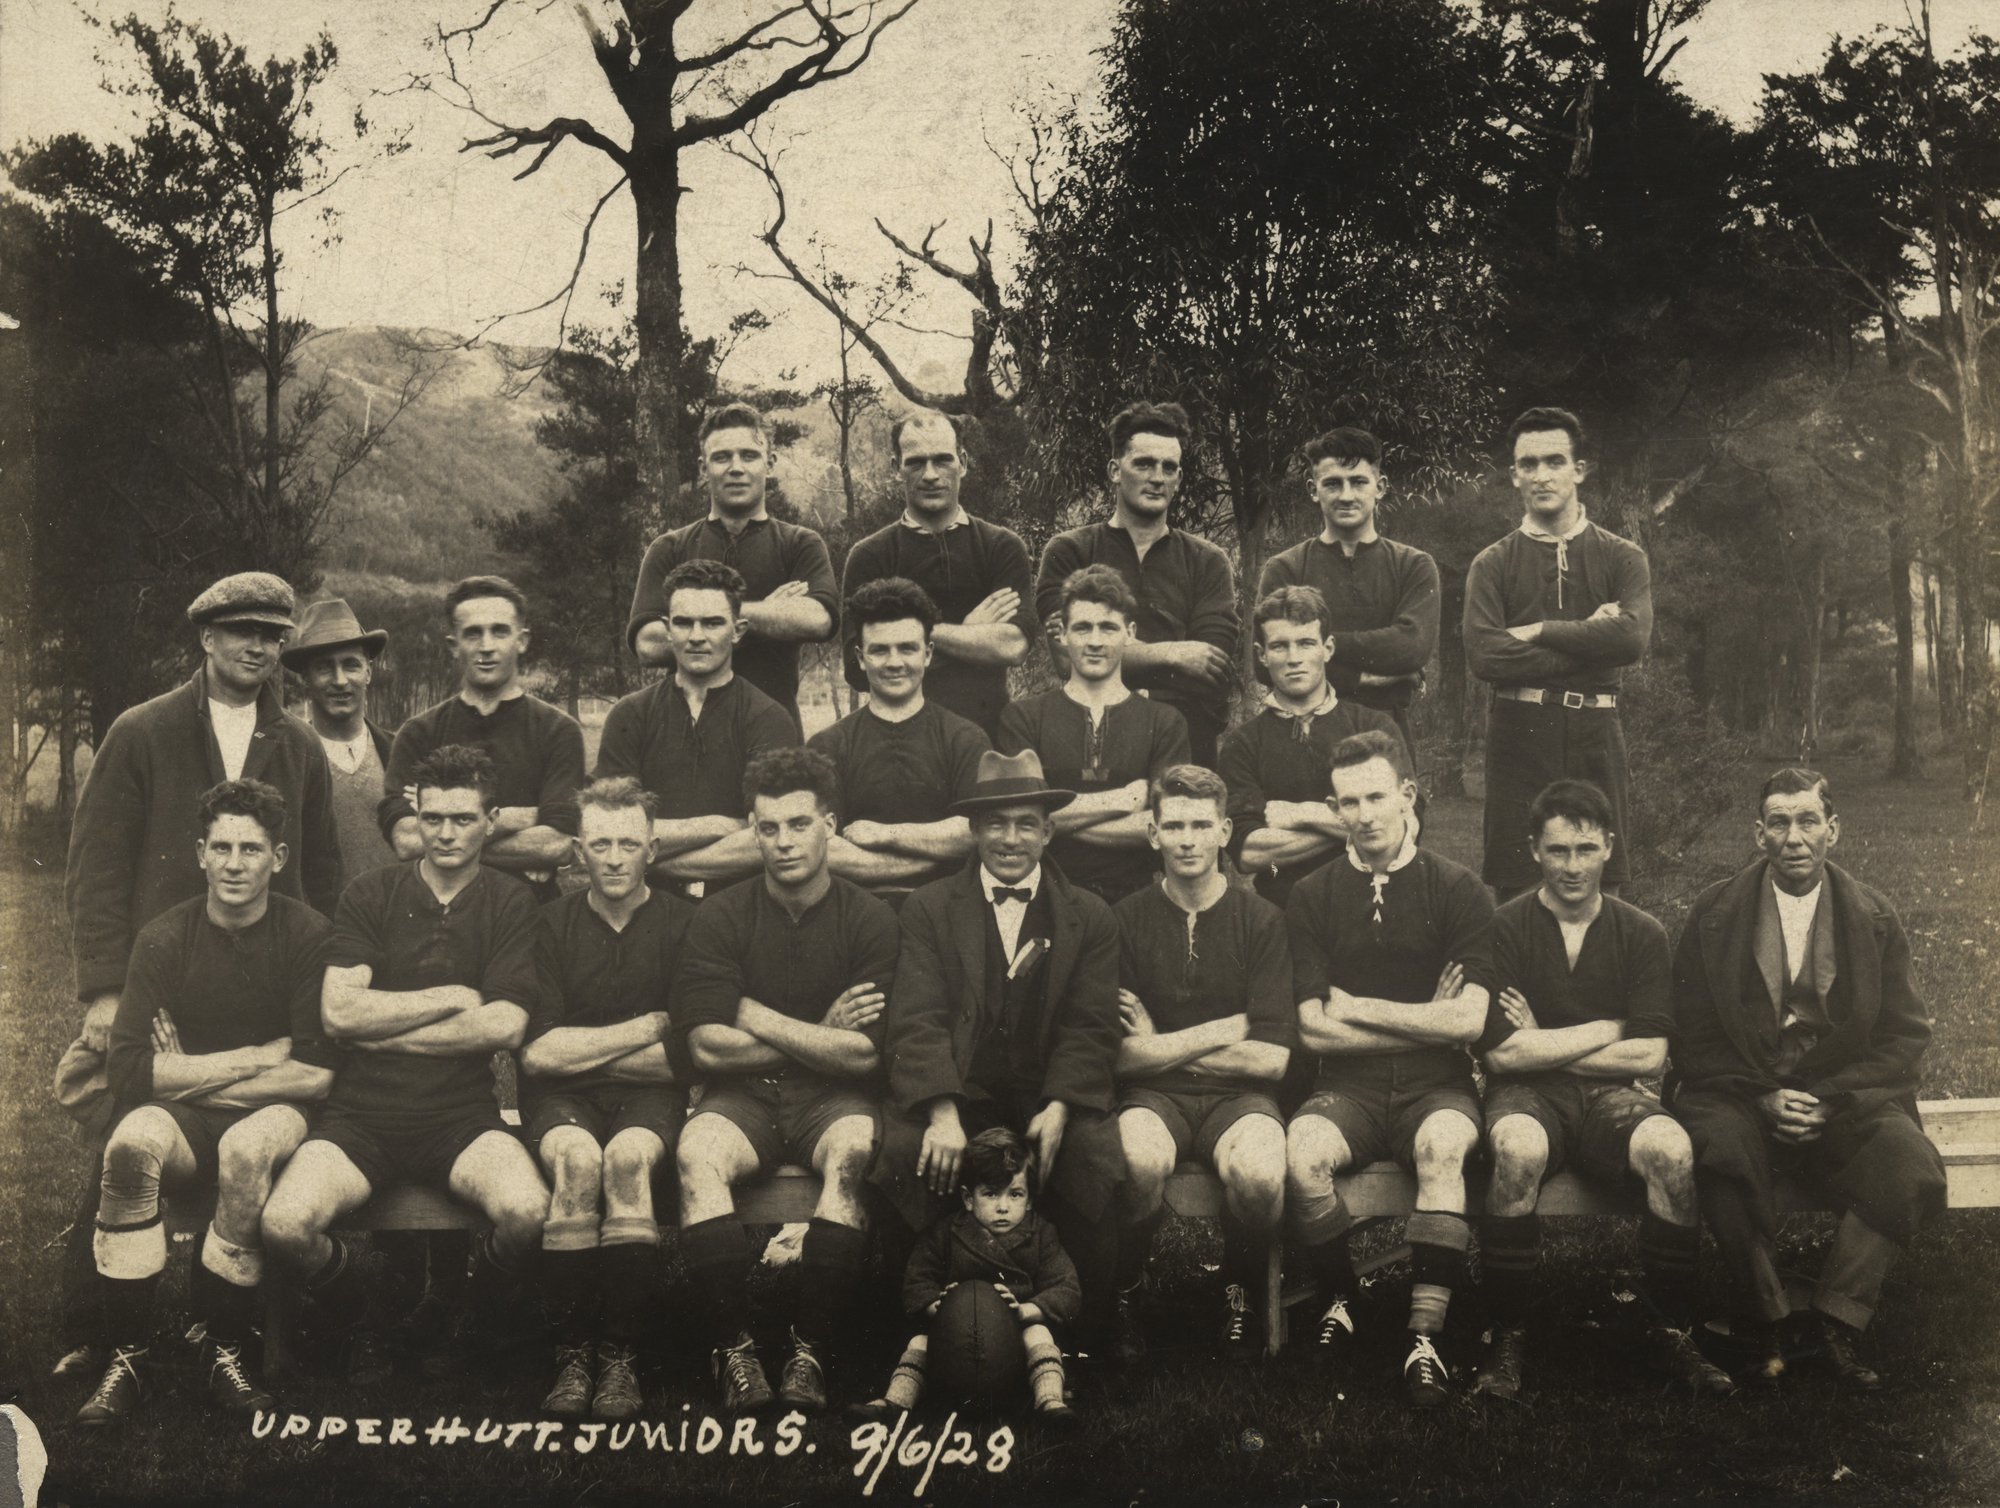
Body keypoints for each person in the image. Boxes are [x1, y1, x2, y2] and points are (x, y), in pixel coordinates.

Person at [58, 571, 338, 1377]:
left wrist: (324, 982)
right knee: (131, 1127)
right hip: (160, 976)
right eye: (242, 630)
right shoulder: (143, 731)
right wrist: (107, 992)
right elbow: (97, 867)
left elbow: (320, 867)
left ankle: (246, 1325)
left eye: (274, 635)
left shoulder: (298, 744)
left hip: (268, 979)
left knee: (256, 1132)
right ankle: (98, 1324)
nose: (259, 646)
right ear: (206, 639)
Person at [260, 745, 552, 1386]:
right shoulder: (372, 892)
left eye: (464, 819)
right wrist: (449, 999)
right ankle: (367, 1320)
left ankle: (461, 1314)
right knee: (284, 1225)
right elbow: (339, 1014)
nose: (446, 833)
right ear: (414, 814)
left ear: (492, 819)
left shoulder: (509, 900)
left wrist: (381, 1028)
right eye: (433, 817)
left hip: (460, 1114)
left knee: (528, 1213)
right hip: (361, 1115)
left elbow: (505, 1025)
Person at [1669, 768, 1946, 1389]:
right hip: (1742, 1091)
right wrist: (1764, 1095)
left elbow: (1905, 1037)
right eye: (1779, 822)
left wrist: (1827, 1098)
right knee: (1716, 1150)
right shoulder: (1715, 913)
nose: (1794, 837)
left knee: (1907, 1163)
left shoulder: (1874, 916)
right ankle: (1766, 1320)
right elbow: (1691, 1036)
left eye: (1808, 820)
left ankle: (1834, 1325)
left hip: (1840, 1096)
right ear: (1758, 834)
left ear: (1834, 830)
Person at [75, 780, 335, 1425]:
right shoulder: (164, 937)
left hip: (279, 1113)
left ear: (277, 858)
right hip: (202, 1110)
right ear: (199, 852)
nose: (234, 863)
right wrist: (252, 1058)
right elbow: (130, 1072)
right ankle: (128, 1358)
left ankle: (225, 1350)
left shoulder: (308, 935)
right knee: (132, 1144)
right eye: (221, 847)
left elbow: (316, 1075)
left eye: (251, 848)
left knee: (246, 1150)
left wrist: (184, 1070)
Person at [1471, 780, 1736, 1400]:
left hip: (1613, 1099)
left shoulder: (1640, 932)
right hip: (1524, 1096)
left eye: (1586, 849)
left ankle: (1673, 1330)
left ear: (1609, 848)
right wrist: (1602, 1028)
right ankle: (1504, 1335)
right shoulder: (1504, 926)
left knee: (1671, 1150)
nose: (1572, 866)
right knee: (1514, 1149)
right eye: (1557, 850)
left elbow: (1649, 1053)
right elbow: (1502, 1052)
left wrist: (1547, 1039)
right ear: (1533, 850)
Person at [872, 749, 1125, 1353]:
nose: (1010, 839)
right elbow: (917, 1017)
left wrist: (1062, 1104)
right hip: (961, 1088)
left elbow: (1091, 1026)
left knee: (1093, 1155)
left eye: (1025, 824)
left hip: (1046, 1091)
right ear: (973, 830)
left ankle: (1085, 1325)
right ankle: (911, 1325)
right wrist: (940, 1111)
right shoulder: (929, 908)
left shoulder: (1088, 915)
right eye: (995, 823)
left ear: (1049, 830)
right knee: (908, 1152)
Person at [672, 748, 899, 1415]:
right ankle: (735, 1350)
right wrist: (818, 1032)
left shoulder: (870, 917)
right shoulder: (720, 914)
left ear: (831, 823)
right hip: (743, 1096)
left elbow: (866, 1059)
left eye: (799, 824)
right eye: (768, 828)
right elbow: (706, 1045)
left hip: (835, 1100)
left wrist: (757, 1014)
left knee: (853, 1154)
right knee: (695, 1155)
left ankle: (811, 1350)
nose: (784, 842)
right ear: (752, 829)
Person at [1282, 730, 1492, 1408]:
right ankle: (1342, 1297)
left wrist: (1362, 1009)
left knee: (1442, 1147)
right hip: (1348, 1089)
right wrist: (1419, 1020)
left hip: (1439, 1085)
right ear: (1333, 807)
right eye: (1349, 802)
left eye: (1377, 796)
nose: (1366, 814)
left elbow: (1469, 1022)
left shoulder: (1459, 888)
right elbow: (1313, 1028)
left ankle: (1424, 1336)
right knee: (1300, 1153)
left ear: (1407, 794)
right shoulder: (1312, 895)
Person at [521, 777, 696, 1421]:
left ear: (653, 846)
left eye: (629, 843)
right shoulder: (549, 926)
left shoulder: (685, 923)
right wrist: (650, 1026)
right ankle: (572, 1354)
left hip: (651, 1097)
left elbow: (689, 1053)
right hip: (560, 1097)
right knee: (576, 1160)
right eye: (600, 844)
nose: (615, 857)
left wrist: (590, 1045)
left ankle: (620, 1357)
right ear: (576, 850)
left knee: (625, 1159)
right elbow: (537, 1053)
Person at [1111, 766, 1291, 1360]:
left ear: (1224, 831)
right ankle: (1127, 1290)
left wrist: (1161, 1045)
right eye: (1173, 826)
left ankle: (1238, 1289)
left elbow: (1269, 1059)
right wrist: (1221, 1029)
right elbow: (1120, 1057)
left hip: (1240, 1098)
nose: (1187, 839)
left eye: (1200, 825)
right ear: (1152, 833)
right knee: (1136, 1160)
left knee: (1262, 1173)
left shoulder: (1260, 919)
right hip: (1153, 1100)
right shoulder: (1125, 919)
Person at [1464, 408, 1651, 899]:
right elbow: (1486, 656)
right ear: (1514, 476)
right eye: (1529, 464)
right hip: (1519, 736)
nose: (1541, 475)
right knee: (1518, 891)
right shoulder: (1492, 563)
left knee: (1601, 888)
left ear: (1579, 469)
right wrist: (1591, 641)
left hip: (1596, 733)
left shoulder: (1622, 556)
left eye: (1554, 461)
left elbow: (1630, 640)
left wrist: (1540, 630)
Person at [1035, 402, 1237, 765]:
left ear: (1179, 479)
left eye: (1169, 467)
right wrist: (1174, 653)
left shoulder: (1208, 561)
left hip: (1187, 740)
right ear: (1115, 470)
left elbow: (1209, 667)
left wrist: (1107, 655)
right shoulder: (1069, 552)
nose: (1157, 477)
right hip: (1091, 735)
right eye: (1144, 463)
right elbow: (1069, 660)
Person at [626, 403, 839, 728]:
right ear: (702, 468)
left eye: (749, 456)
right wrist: (763, 615)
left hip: (774, 732)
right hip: (685, 732)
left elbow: (817, 620)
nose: (735, 468)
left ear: (770, 463)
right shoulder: (669, 548)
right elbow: (648, 644)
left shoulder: (800, 543)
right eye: (722, 457)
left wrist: (699, 627)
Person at [594, 559, 799, 894]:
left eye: (713, 623)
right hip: (649, 907)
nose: (697, 637)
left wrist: (650, 860)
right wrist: (719, 825)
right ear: (667, 628)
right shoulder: (629, 715)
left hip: (740, 905)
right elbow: (612, 828)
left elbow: (770, 840)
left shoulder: (768, 718)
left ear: (738, 630)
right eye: (684, 623)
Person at [851, 1128, 1078, 1424]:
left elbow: (1066, 1288)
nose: (1003, 1207)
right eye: (991, 1194)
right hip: (953, 1344)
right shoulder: (946, 1233)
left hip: (1012, 1346)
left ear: (1030, 1200)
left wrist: (1025, 1311)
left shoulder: (1041, 1234)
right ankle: (895, 1401)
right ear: (968, 1199)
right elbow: (918, 1280)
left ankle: (1049, 1401)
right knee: (920, 1341)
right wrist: (938, 1307)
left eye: (1016, 1194)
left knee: (1039, 1334)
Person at [379, 577, 584, 904]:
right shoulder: (419, 733)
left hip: (530, 913)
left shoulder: (558, 731)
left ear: (522, 640)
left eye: (500, 631)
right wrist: (526, 817)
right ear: (453, 645)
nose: (486, 646)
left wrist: (445, 844)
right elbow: (405, 841)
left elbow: (556, 846)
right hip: (437, 914)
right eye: (473, 633)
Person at [999, 565, 1191, 905]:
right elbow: (1020, 821)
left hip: (1136, 899)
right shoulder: (1024, 717)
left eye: (1108, 627)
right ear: (1062, 634)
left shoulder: (1164, 721)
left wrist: (1053, 823)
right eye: (1083, 628)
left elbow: (1166, 826)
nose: (1095, 641)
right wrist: (1125, 801)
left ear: (1129, 633)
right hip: (1047, 899)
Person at [841, 410, 1035, 739]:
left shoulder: (1001, 546)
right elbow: (857, 668)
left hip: (989, 739)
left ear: (963, 462)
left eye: (942, 460)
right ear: (895, 468)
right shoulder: (870, 555)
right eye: (916, 462)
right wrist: (969, 633)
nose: (930, 474)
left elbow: (1013, 645)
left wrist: (911, 639)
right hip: (898, 740)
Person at [1220, 585, 1412, 909]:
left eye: (1306, 643)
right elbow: (1248, 852)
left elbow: (1406, 829)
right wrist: (1363, 828)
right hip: (1284, 912)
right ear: (1262, 654)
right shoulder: (1242, 744)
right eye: (1280, 646)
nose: (1294, 658)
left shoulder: (1374, 727)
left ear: (1328, 648)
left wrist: (1299, 814)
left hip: (1374, 905)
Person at [1255, 427, 1439, 753]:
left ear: (1380, 487)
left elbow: (1412, 647)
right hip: (1304, 734)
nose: (1346, 495)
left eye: (1358, 481)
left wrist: (1314, 647)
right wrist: (1364, 679)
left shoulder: (1414, 565)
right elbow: (1264, 664)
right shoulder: (1285, 568)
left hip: (1388, 732)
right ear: (1314, 490)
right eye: (1332, 483)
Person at [810, 577, 991, 895]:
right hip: (854, 914)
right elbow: (821, 848)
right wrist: (927, 858)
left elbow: (976, 832)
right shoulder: (827, 745)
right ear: (861, 658)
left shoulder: (965, 738)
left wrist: (887, 834)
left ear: (928, 653)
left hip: (947, 912)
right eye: (879, 650)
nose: (894, 663)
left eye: (907, 648)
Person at [284, 598, 396, 885]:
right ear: (306, 678)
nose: (340, 680)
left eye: (351, 665)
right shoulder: (289, 758)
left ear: (368, 672)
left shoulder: (398, 751)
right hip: (324, 924)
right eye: (324, 668)